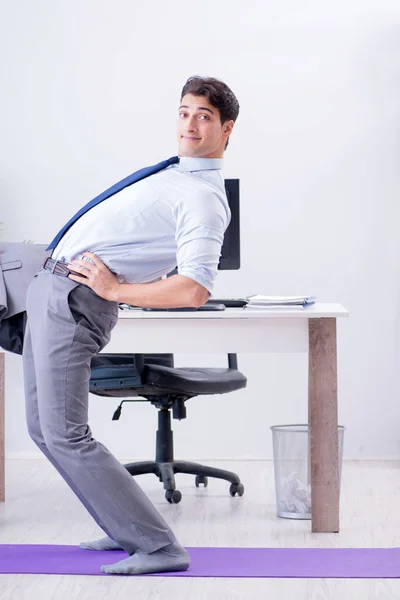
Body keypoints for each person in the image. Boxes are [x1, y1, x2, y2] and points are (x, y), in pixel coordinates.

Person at [22, 76, 239, 575]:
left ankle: (159, 547)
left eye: (204, 116)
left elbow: (194, 289)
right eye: (184, 112)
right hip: (53, 287)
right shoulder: (176, 176)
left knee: (65, 433)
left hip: (74, 299)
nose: (190, 123)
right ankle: (126, 528)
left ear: (226, 129)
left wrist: (117, 290)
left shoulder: (204, 198)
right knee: (43, 430)